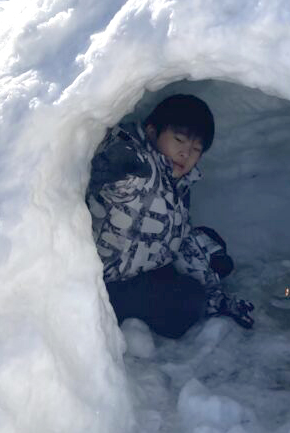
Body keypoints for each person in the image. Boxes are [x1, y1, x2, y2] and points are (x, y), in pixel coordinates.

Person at [87, 94, 254, 338]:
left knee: (209, 243)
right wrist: (121, 164)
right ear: (152, 131)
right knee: (187, 302)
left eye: (196, 149)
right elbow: (124, 174)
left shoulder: (176, 183)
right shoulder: (141, 167)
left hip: (146, 262)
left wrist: (216, 295)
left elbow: (183, 237)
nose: (186, 153)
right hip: (111, 284)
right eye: (179, 140)